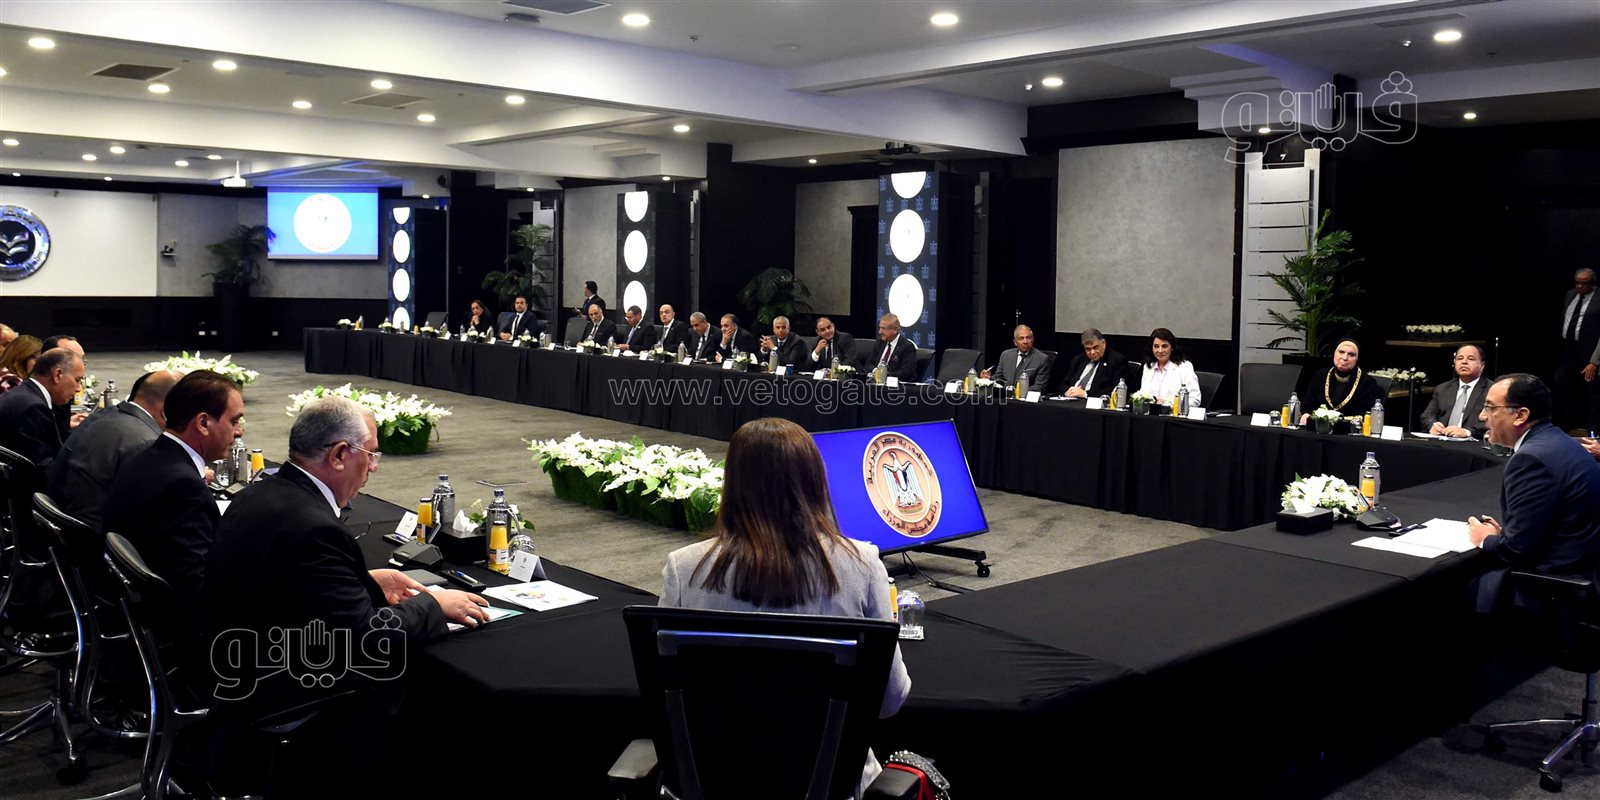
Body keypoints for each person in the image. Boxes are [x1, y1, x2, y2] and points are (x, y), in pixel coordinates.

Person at [202, 396, 488, 795]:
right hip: (283, 687)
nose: (374, 467)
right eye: (371, 454)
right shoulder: (313, 526)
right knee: (443, 695)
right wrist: (434, 605)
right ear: (339, 455)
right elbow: (366, 638)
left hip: (236, 661)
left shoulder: (262, 492)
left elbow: (289, 582)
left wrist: (366, 582)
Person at [659, 418, 910, 797]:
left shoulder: (683, 568)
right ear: (814, 481)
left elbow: (668, 704)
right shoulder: (862, 565)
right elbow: (889, 701)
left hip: (715, 783)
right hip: (832, 784)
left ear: (733, 482)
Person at [100, 370, 242, 609]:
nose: (239, 432)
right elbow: (193, 588)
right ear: (203, 423)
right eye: (234, 421)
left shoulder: (145, 457)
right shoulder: (182, 486)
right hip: (168, 619)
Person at [1466, 374, 1600, 610]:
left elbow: (1516, 551)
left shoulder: (1531, 459)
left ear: (1521, 415)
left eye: (1491, 407)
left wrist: (1485, 538)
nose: (1482, 416)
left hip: (1553, 586)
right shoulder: (1563, 442)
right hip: (1583, 567)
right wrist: (1507, 533)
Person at [46, 370, 181, 531]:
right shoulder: (145, 442)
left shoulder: (105, 414)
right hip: (95, 536)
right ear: (168, 409)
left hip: (67, 517)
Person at [0, 348, 82, 470]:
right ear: (57, 375)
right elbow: (42, 468)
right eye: (77, 380)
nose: (79, 388)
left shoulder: (25, 394)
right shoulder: (33, 408)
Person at [1556, 268, 1600, 430]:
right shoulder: (1570, 294)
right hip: (1569, 350)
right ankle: (1569, 426)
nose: (1580, 286)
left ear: (1592, 283)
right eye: (1577, 283)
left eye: (1584, 283)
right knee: (1563, 384)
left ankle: (1592, 430)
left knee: (1590, 392)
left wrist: (1594, 361)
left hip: (1590, 351)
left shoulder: (1598, 298)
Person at [1302, 338, 1383, 423]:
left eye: (1351, 355)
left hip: (1349, 428)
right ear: (1334, 354)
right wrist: (1306, 414)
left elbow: (1364, 415)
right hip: (1318, 427)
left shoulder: (1367, 382)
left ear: (1357, 359)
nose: (1345, 358)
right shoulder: (1320, 375)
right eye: (1341, 352)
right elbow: (1307, 405)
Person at [1420, 344, 1489, 439]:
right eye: (1460, 358)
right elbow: (1427, 416)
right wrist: (1432, 424)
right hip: (1443, 439)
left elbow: (1495, 421)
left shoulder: (1491, 390)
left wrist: (1467, 432)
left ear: (1482, 365)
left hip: (1473, 442)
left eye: (1470, 359)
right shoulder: (1443, 388)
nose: (1464, 362)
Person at [1139, 327, 1202, 405]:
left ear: (1172, 347)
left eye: (1164, 346)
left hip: (1173, 412)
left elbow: (1195, 399)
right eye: (1156, 346)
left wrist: (1168, 405)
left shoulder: (1185, 367)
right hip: (1150, 412)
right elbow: (1143, 394)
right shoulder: (1148, 367)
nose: (1160, 351)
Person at [1061, 328, 1128, 399]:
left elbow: (1116, 391)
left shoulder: (1117, 360)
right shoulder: (1078, 360)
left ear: (1103, 343)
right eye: (1088, 349)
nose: (1092, 352)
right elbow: (1063, 384)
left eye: (1096, 347)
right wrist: (1068, 391)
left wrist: (1085, 394)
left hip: (1093, 403)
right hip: (1071, 399)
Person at [982, 324, 1052, 391]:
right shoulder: (1006, 355)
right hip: (1006, 396)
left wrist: (1016, 391)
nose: (1025, 341)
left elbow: (1039, 387)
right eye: (1021, 338)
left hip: (1026, 397)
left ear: (1033, 339)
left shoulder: (1042, 359)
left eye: (1028, 338)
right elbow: (999, 378)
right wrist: (989, 378)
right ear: (1015, 342)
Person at [867, 314, 919, 383]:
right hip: (874, 382)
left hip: (894, 386)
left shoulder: (907, 347)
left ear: (895, 330)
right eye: (880, 327)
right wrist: (876, 371)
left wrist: (884, 374)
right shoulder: (879, 343)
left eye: (883, 328)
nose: (880, 332)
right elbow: (868, 364)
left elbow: (907, 372)